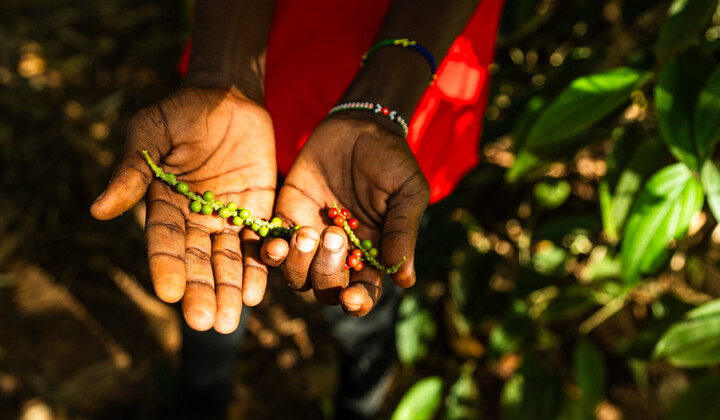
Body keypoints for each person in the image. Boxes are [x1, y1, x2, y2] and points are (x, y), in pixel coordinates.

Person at [90, 0, 502, 417]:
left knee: (360, 306)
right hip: (262, 67)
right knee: (215, 287)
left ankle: (358, 407)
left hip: (402, 99)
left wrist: (380, 103)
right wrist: (224, 72)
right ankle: (203, 399)